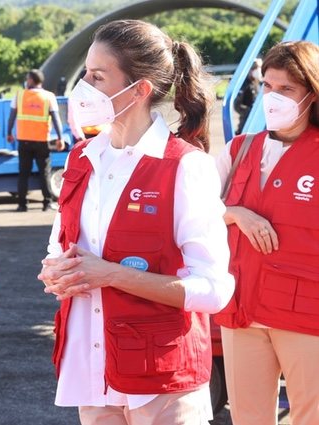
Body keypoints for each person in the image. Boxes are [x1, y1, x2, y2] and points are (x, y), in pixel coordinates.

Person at [38, 20, 234, 425]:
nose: (84, 87)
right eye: (84, 74)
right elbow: (60, 248)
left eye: (97, 76)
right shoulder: (82, 159)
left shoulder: (185, 167)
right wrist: (56, 271)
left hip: (162, 381)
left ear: (139, 89)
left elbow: (214, 290)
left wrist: (110, 275)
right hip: (92, 370)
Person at [215, 40, 319, 425]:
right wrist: (236, 214)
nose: (273, 98)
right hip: (243, 310)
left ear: (311, 94)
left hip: (308, 316)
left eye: (286, 89)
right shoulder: (238, 150)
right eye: (267, 87)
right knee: (248, 418)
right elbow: (193, 215)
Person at [7, 69, 64, 212]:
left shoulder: (19, 95)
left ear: (32, 80)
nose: (26, 81)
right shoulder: (49, 97)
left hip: (24, 141)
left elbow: (12, 116)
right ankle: (46, 202)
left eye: (27, 78)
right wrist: (60, 138)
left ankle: (22, 204)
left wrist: (9, 133)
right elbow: (56, 120)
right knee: (44, 172)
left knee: (23, 173)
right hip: (41, 141)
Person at [234, 58, 263, 135]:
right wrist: (250, 111)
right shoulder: (244, 84)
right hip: (246, 125)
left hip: (259, 125)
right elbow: (237, 105)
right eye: (256, 68)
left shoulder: (259, 83)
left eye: (259, 68)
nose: (258, 70)